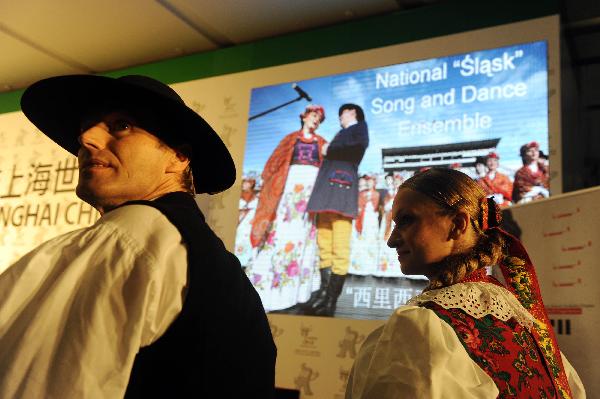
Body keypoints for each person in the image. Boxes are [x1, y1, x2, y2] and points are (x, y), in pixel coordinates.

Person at [0, 74, 276, 398]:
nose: (87, 139)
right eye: (84, 129)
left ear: (178, 156)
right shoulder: (214, 264)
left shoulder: (125, 241)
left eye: (122, 125)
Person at [345, 168, 585, 398]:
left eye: (406, 221)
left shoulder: (420, 328)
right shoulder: (523, 319)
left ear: (458, 224)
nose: (392, 240)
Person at [247, 105, 327, 312]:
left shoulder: (321, 143)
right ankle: (270, 286)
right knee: (280, 228)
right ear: (305, 117)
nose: (316, 120)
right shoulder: (290, 139)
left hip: (311, 190)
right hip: (289, 187)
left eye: (319, 118)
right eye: (313, 115)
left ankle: (296, 288)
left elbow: (331, 164)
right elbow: (272, 165)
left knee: (303, 231)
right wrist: (271, 188)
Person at [303, 103, 369, 317]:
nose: (340, 117)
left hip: (341, 189)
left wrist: (328, 150)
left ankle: (331, 300)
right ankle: (323, 294)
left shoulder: (359, 128)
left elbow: (358, 145)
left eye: (342, 113)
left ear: (351, 113)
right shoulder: (342, 133)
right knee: (324, 243)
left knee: (340, 247)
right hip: (326, 192)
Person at [234, 175, 259, 268]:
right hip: (238, 230)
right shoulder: (237, 197)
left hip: (249, 230)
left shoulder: (257, 199)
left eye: (245, 181)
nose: (243, 183)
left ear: (252, 183)